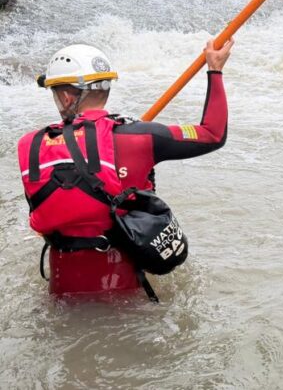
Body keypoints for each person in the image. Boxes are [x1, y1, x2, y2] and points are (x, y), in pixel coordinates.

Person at [17, 38, 234, 297]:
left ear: (66, 97)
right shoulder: (143, 136)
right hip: (126, 288)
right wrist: (215, 69)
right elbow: (213, 133)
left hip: (62, 290)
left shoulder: (34, 145)